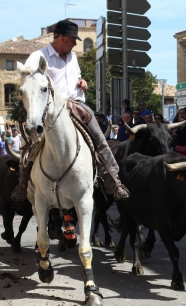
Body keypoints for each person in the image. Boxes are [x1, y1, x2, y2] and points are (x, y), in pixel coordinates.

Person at [11, 19, 129, 201]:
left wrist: (83, 83)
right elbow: (27, 81)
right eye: (73, 40)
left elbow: (77, 78)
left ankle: (113, 180)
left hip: (76, 105)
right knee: (32, 143)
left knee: (99, 136)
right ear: (63, 38)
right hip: (49, 109)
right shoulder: (38, 56)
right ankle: (23, 183)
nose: (75, 44)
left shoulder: (73, 57)